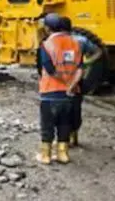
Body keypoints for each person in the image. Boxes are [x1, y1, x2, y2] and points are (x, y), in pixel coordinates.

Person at [37, 12, 83, 165]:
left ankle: (46, 155)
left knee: (47, 124)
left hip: (50, 92)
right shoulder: (75, 43)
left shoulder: (46, 44)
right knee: (64, 124)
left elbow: (48, 69)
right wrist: (70, 85)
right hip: (69, 94)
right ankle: (63, 154)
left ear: (48, 28)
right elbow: (80, 69)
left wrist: (62, 80)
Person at [61, 16, 103, 147]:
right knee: (75, 108)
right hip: (77, 80)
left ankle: (65, 139)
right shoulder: (81, 40)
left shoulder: (54, 42)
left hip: (61, 80)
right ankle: (74, 136)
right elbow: (98, 52)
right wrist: (86, 63)